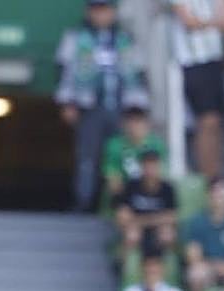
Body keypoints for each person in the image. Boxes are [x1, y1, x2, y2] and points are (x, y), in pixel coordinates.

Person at [55, 0, 149, 212]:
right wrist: (68, 103)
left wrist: (138, 108)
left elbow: (139, 73)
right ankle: (84, 201)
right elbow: (64, 71)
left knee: (121, 155)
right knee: (87, 157)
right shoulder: (77, 38)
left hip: (120, 107)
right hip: (90, 107)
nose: (101, 16)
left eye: (105, 10)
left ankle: (120, 204)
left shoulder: (126, 39)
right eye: (96, 10)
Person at [165, 0, 224, 180]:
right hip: (192, 62)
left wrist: (207, 22)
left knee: (217, 122)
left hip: (215, 59)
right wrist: (214, 22)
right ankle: (206, 176)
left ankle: (217, 174)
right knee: (205, 120)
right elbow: (189, 22)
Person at [115, 149, 178, 266]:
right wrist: (156, 219)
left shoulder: (167, 188)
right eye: (147, 165)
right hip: (137, 230)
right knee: (131, 234)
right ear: (142, 166)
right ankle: (124, 270)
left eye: (153, 165)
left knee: (167, 234)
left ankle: (169, 270)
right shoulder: (131, 186)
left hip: (157, 230)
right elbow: (122, 217)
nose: (150, 169)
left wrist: (139, 220)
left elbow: (172, 217)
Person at [102, 106, 167, 200]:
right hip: (124, 200)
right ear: (123, 124)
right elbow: (113, 179)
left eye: (138, 122)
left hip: (151, 198)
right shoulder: (114, 145)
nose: (134, 127)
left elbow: (161, 177)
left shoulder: (157, 145)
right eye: (130, 122)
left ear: (147, 125)